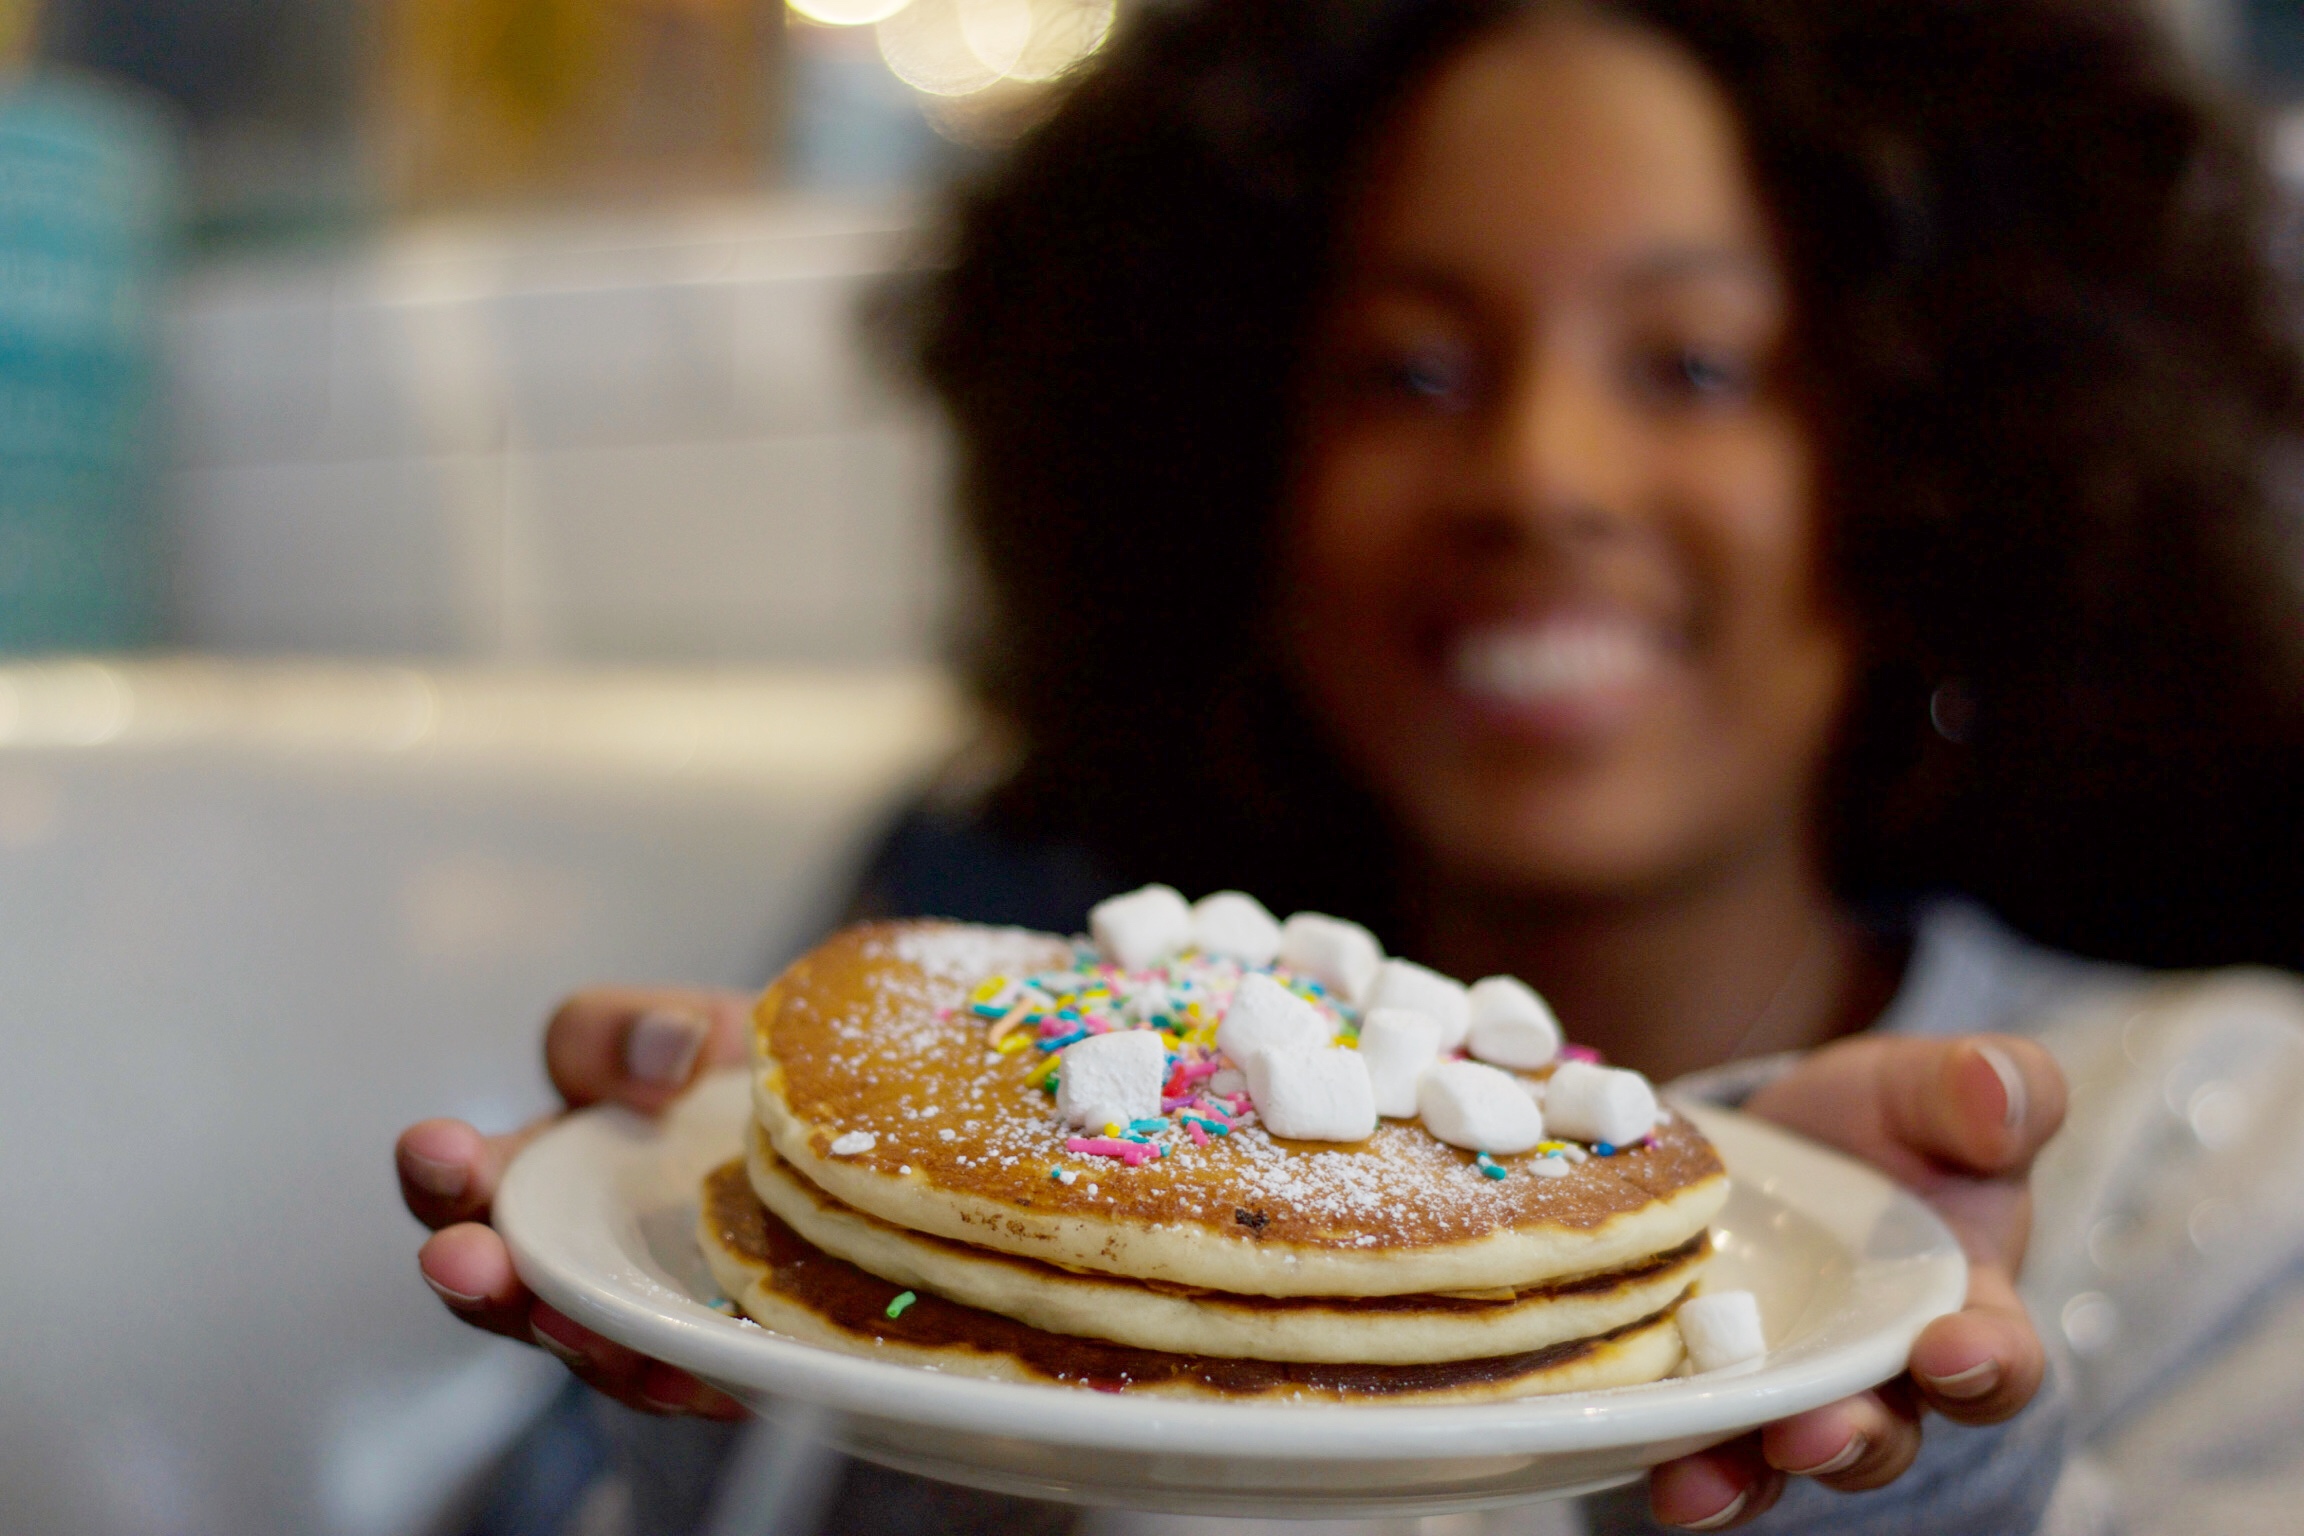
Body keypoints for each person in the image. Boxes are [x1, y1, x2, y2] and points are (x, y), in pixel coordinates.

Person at [394, 0, 2304, 1530]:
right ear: (1237, 477)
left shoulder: (2233, 1156)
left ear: (1939, 464)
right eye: (1411, 369)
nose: (1540, 479)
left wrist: (1906, 1488)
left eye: (1697, 366)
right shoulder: (1010, 1014)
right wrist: (792, 1387)